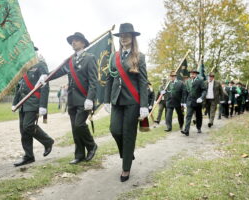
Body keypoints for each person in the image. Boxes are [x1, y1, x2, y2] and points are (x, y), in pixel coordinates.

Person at [39, 32, 98, 164]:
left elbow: (94, 81)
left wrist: (90, 98)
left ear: (83, 43)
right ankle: (79, 154)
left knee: (79, 124)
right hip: (72, 99)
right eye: (72, 41)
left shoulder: (90, 58)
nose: (73, 42)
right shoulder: (70, 61)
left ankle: (92, 145)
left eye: (76, 40)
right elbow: (58, 72)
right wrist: (46, 76)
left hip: (84, 99)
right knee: (74, 128)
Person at [104, 23, 149, 182]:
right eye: (121, 36)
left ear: (132, 38)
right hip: (116, 100)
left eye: (127, 35)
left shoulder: (139, 56)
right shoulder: (113, 57)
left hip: (132, 101)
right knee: (115, 130)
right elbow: (109, 79)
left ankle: (126, 168)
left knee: (129, 134)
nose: (124, 38)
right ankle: (127, 154)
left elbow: (143, 82)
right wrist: (106, 100)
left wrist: (144, 105)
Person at [12, 47, 54, 167]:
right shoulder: (23, 68)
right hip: (23, 103)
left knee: (28, 126)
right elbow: (19, 88)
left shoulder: (40, 65)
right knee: (23, 130)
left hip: (34, 101)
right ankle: (28, 156)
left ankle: (48, 141)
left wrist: (43, 105)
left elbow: (45, 85)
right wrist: (15, 103)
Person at [181, 68, 207, 136]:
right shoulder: (188, 81)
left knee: (198, 116)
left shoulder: (200, 81)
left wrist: (201, 98)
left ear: (196, 74)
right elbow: (185, 92)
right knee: (188, 116)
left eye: (193, 74)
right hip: (190, 101)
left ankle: (198, 127)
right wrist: (184, 102)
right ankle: (186, 130)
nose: (192, 75)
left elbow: (204, 90)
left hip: (198, 101)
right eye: (191, 74)